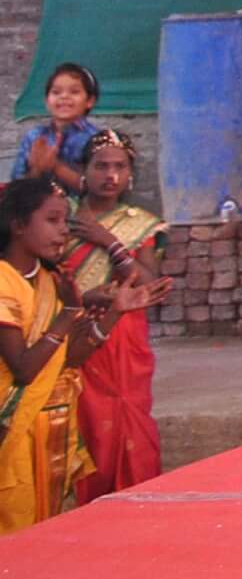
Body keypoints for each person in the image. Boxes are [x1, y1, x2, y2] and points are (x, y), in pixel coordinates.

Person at [2, 175, 165, 532]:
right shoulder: (3, 281)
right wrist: (69, 313)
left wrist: (114, 313)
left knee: (42, 531)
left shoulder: (49, 282)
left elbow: (69, 359)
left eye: (65, 220)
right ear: (18, 225)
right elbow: (25, 370)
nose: (63, 231)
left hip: (49, 431)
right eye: (52, 220)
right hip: (13, 430)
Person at [65, 129, 164, 502]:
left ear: (131, 174)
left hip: (124, 335)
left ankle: (135, 500)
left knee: (127, 416)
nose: (111, 175)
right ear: (83, 170)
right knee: (87, 419)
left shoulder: (140, 224)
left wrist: (109, 242)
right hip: (75, 331)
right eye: (101, 166)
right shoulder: (61, 217)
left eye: (120, 167)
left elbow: (151, 286)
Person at [12, 64, 100, 196]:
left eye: (74, 92)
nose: (64, 96)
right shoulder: (34, 137)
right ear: (46, 101)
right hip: (38, 207)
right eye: (56, 92)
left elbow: (98, 188)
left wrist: (55, 166)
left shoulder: (96, 139)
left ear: (90, 101)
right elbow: (16, 187)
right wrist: (36, 170)